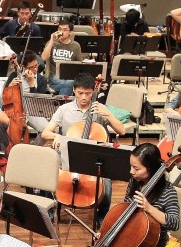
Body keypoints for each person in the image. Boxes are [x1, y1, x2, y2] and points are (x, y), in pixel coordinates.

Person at [41, 72, 125, 228]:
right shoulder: (64, 110)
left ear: (93, 92)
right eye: (80, 93)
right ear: (74, 90)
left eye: (88, 93)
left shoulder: (99, 110)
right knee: (48, 170)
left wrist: (107, 113)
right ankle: (51, 210)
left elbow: (122, 131)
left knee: (106, 180)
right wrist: (56, 137)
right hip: (68, 155)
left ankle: (102, 215)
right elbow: (46, 132)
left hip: (93, 158)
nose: (84, 97)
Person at [4, 50, 50, 145]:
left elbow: (37, 103)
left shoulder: (42, 80)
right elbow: (5, 97)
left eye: (36, 66)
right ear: (24, 67)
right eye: (31, 67)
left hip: (32, 111)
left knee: (46, 129)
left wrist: (32, 84)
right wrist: (9, 87)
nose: (35, 69)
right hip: (15, 111)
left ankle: (33, 147)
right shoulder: (14, 75)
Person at [42, 22, 83, 96]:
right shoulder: (52, 43)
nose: (61, 32)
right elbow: (44, 57)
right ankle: (63, 105)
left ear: (70, 32)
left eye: (65, 30)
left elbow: (79, 64)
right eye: (60, 29)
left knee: (69, 83)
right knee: (68, 84)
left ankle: (61, 105)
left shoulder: (75, 46)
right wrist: (52, 40)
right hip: (55, 76)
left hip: (70, 76)